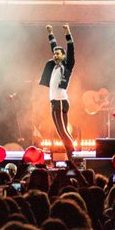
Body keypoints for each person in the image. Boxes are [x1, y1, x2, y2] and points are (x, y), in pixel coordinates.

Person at [39, 24, 75, 159]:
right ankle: (71, 156)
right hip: (56, 102)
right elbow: (53, 46)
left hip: (59, 102)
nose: (55, 55)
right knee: (62, 132)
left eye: (58, 54)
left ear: (63, 56)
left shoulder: (67, 65)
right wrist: (50, 34)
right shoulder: (54, 66)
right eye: (54, 54)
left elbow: (71, 49)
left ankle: (73, 156)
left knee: (62, 132)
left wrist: (68, 33)